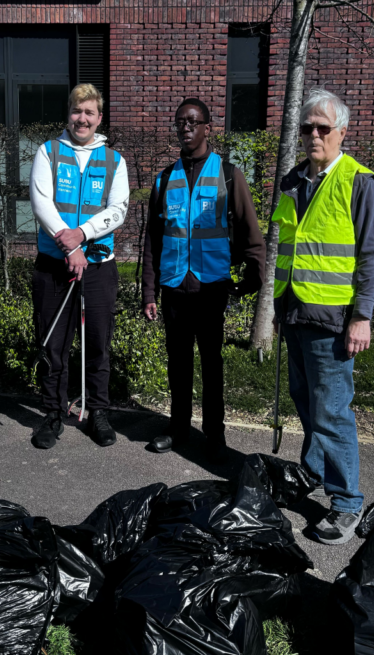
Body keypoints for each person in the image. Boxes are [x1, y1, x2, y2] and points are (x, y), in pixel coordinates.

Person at [272, 88, 374, 545]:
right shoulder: (294, 180)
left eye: (323, 127)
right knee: (305, 401)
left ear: (342, 132)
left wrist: (362, 316)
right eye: (307, 128)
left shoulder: (358, 181)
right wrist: (280, 307)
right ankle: (314, 472)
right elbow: (289, 250)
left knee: (332, 411)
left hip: (333, 319)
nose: (314, 135)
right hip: (296, 311)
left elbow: (370, 256)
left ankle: (346, 502)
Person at [141, 97, 267, 463]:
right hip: (174, 288)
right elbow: (153, 240)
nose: (185, 127)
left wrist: (254, 275)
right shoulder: (165, 179)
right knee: (178, 363)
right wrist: (149, 291)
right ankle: (178, 426)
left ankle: (215, 433)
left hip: (211, 288)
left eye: (193, 121)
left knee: (212, 365)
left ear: (207, 128)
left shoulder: (228, 175)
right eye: (180, 121)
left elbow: (250, 232)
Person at [28, 83, 129, 450]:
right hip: (54, 265)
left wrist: (83, 235)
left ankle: (96, 410)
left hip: (99, 266)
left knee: (98, 343)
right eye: (76, 110)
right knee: (53, 344)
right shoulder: (48, 151)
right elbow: (41, 203)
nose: (81, 118)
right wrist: (69, 246)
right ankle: (53, 412)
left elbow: (118, 209)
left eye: (89, 112)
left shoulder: (114, 160)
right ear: (68, 114)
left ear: (99, 118)